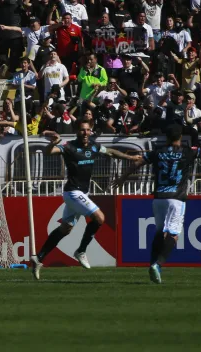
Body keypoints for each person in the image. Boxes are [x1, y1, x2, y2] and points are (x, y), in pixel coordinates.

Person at [30, 119, 141, 280]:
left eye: (88, 130)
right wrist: (52, 143)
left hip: (81, 193)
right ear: (77, 131)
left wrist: (130, 158)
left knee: (66, 228)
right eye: (82, 130)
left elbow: (110, 151)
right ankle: (81, 251)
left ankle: (39, 258)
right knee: (100, 218)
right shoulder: (68, 146)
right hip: (73, 193)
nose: (86, 133)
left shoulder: (94, 146)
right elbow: (49, 152)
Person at [111, 122, 201, 284]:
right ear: (180, 137)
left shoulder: (157, 152)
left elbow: (138, 163)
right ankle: (158, 264)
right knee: (173, 234)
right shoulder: (187, 152)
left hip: (159, 198)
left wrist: (123, 177)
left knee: (160, 232)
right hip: (176, 198)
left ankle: (153, 263)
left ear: (166, 137)